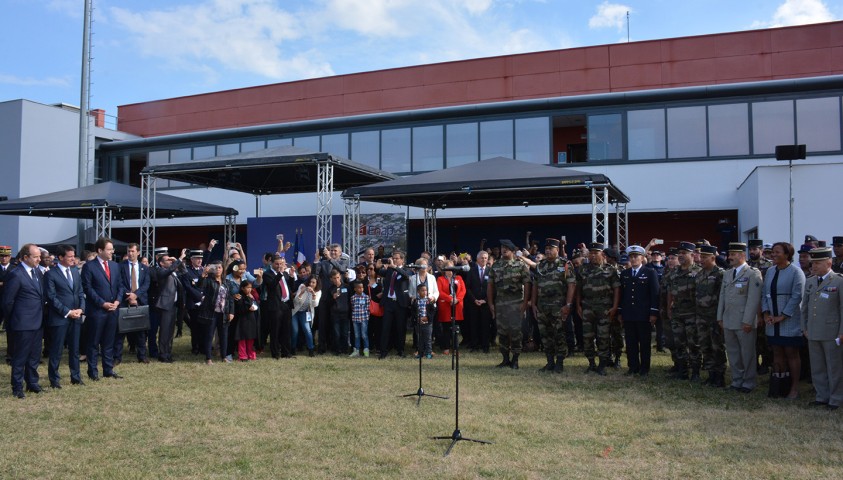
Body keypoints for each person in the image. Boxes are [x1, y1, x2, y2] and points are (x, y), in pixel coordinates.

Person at [761, 242, 805, 399]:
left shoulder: (796, 272)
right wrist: (766, 313)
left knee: (791, 352)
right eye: (772, 252)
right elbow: (764, 294)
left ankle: (794, 388)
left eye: (777, 252)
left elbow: (797, 297)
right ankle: (779, 386)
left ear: (787, 254)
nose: (773, 254)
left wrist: (783, 316)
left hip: (789, 320)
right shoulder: (770, 271)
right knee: (777, 352)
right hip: (772, 320)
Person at [717, 242, 763, 393]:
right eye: (730, 254)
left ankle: (748, 382)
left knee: (747, 353)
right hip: (729, 319)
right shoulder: (728, 273)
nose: (730, 257)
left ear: (743, 255)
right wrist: (720, 317)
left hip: (744, 321)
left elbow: (753, 299)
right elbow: (722, 296)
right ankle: (737, 381)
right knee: (733, 353)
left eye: (733, 254)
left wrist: (748, 320)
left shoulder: (752, 273)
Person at [801, 247, 843, 410]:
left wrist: (842, 331)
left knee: (834, 367)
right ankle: (822, 396)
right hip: (813, 330)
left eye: (818, 263)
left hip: (832, 332)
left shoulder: (838, 281)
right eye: (813, 263)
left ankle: (836, 398)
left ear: (829, 262)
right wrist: (804, 327)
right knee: (817, 366)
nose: (814, 266)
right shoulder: (810, 281)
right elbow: (805, 307)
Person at [2, 244, 45, 398]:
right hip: (22, 324)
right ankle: (17, 387)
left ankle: (32, 383)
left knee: (34, 356)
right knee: (20, 357)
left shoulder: (38, 272)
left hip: (38, 322)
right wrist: (13, 320)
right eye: (36, 257)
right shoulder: (16, 274)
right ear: (25, 257)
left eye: (39, 256)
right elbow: (7, 302)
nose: (39, 259)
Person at [81, 237, 126, 381]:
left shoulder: (114, 265)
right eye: (109, 249)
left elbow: (120, 285)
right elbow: (88, 289)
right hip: (97, 311)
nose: (112, 251)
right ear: (100, 250)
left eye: (112, 249)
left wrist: (118, 301)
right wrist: (102, 303)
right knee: (94, 343)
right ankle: (93, 372)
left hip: (113, 310)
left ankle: (108, 369)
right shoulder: (89, 266)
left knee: (109, 342)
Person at [44, 245, 85, 389]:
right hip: (60, 318)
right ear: (60, 257)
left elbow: (80, 292)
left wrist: (81, 309)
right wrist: (67, 312)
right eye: (69, 256)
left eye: (73, 256)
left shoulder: (75, 272)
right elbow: (51, 297)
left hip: (76, 316)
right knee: (56, 350)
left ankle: (76, 377)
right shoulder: (51, 274)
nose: (73, 258)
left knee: (75, 349)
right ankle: (54, 380)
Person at [576, 242, 621, 375]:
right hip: (587, 307)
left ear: (602, 254)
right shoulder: (583, 269)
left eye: (596, 253)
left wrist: (614, 306)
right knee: (587, 337)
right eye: (591, 253)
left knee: (603, 337)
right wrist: (578, 305)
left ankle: (602, 364)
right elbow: (579, 289)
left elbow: (617, 289)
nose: (593, 255)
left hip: (604, 308)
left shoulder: (610, 270)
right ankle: (591, 363)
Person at [533, 238, 576, 373]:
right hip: (542, 307)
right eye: (546, 249)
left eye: (551, 249)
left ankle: (560, 363)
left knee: (559, 335)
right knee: (545, 336)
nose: (548, 251)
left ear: (557, 250)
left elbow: (571, 285)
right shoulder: (540, 265)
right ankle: (549, 362)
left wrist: (568, 305)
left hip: (558, 306)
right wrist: (533, 304)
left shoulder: (565, 264)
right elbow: (535, 285)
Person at [488, 239, 531, 370]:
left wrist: (525, 303)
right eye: (502, 247)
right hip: (501, 305)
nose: (503, 250)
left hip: (515, 305)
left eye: (506, 248)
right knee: (502, 333)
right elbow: (490, 286)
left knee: (516, 332)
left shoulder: (520, 265)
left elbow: (527, 284)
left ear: (512, 251)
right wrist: (490, 303)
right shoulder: (496, 266)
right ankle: (505, 359)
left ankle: (515, 359)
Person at [618, 245, 659, 377]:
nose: (634, 258)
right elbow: (622, 295)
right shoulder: (625, 274)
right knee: (630, 343)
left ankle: (644, 368)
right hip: (629, 314)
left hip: (644, 314)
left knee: (645, 343)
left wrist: (653, 313)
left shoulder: (650, 273)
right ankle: (633, 366)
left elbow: (655, 294)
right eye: (631, 256)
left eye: (636, 256)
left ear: (642, 258)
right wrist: (620, 312)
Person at [666, 241, 702, 380]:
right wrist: (669, 307)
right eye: (679, 253)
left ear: (692, 255)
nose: (680, 256)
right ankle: (682, 371)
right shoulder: (674, 272)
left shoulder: (698, 272)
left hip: (692, 314)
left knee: (694, 344)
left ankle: (696, 372)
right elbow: (670, 291)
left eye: (683, 253)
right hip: (677, 313)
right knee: (679, 343)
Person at [695, 245, 726, 386]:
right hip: (701, 316)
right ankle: (710, 374)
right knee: (705, 346)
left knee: (717, 347)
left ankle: (719, 376)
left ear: (713, 258)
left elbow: (723, 297)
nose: (701, 260)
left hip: (714, 317)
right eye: (701, 257)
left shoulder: (720, 274)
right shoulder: (699, 274)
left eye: (704, 257)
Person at [116, 243, 151, 364]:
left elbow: (146, 284)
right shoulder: (120, 266)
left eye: (132, 251)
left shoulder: (144, 268)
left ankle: (142, 356)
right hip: (125, 301)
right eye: (128, 251)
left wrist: (136, 295)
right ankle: (117, 357)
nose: (130, 254)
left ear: (138, 253)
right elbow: (119, 283)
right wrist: (129, 295)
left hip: (139, 301)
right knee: (120, 331)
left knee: (140, 331)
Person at [312, 244, 349, 353]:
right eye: (331, 250)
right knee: (323, 324)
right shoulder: (323, 263)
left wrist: (330, 259)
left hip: (339, 300)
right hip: (325, 297)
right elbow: (315, 274)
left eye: (335, 251)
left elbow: (342, 270)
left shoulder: (343, 261)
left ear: (340, 253)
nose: (332, 252)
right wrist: (316, 260)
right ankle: (322, 347)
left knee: (336, 325)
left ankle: (336, 347)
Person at [377, 250, 413, 359]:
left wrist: (395, 267)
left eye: (397, 258)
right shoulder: (389, 270)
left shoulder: (407, 270)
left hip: (400, 303)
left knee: (400, 328)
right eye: (393, 258)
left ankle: (400, 350)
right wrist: (377, 266)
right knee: (385, 327)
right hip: (388, 302)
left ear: (402, 259)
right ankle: (383, 351)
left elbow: (407, 276)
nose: (394, 260)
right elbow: (379, 272)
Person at [151, 247, 184, 363]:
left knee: (170, 331)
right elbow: (168, 271)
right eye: (167, 260)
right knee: (164, 331)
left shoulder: (173, 272)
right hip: (165, 305)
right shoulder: (159, 271)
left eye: (171, 260)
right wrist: (178, 260)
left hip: (173, 304)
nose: (170, 261)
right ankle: (163, 354)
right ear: (161, 262)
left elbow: (184, 272)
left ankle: (168, 352)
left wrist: (178, 262)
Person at [197, 261, 231, 364]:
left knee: (224, 336)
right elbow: (200, 286)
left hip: (223, 312)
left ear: (223, 269)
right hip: (211, 312)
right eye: (216, 268)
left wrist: (231, 312)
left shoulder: (226, 282)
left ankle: (224, 357)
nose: (218, 269)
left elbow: (229, 299)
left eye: (220, 267)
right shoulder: (208, 281)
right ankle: (208, 358)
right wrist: (203, 275)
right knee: (209, 335)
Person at [261, 255, 293, 359]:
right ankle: (275, 354)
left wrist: (292, 277)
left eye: (281, 264)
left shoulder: (285, 273)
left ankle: (286, 353)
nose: (279, 266)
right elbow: (271, 286)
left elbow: (290, 287)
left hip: (286, 304)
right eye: (277, 264)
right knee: (275, 331)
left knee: (286, 330)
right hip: (275, 306)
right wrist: (279, 274)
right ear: (272, 263)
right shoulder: (267, 274)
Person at [436, 260, 466, 355]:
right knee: (446, 328)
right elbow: (440, 292)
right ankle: (446, 348)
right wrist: (450, 299)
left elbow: (463, 290)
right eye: (448, 268)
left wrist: (457, 299)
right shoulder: (440, 279)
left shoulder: (459, 278)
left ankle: (456, 348)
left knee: (456, 328)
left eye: (452, 268)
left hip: (457, 305)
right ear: (444, 269)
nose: (450, 271)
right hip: (446, 306)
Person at [466, 250, 493, 353]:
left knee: (485, 325)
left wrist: (485, 300)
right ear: (477, 259)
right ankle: (474, 346)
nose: (484, 260)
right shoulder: (471, 271)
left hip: (486, 303)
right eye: (482, 258)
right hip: (474, 303)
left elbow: (493, 288)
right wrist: (474, 300)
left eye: (486, 258)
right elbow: (467, 288)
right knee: (474, 325)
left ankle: (485, 346)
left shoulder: (490, 271)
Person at [181, 249, 207, 355]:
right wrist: (200, 297)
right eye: (197, 258)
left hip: (204, 303)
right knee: (195, 326)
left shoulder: (203, 270)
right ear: (191, 259)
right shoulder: (187, 271)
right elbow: (188, 287)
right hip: (194, 303)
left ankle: (203, 346)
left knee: (204, 326)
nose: (199, 260)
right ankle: (195, 346)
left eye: (201, 258)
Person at [291, 275, 321, 356]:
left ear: (317, 284)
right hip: (295, 312)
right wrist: (301, 292)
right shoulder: (302, 286)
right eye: (310, 282)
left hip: (304, 313)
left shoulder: (318, 292)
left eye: (313, 283)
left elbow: (315, 305)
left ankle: (311, 349)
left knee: (307, 330)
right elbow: (296, 301)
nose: (311, 284)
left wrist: (313, 294)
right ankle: (292, 348)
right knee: (295, 330)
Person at [232, 280, 259, 361]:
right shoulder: (239, 296)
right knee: (242, 338)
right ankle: (242, 355)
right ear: (243, 288)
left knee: (250, 338)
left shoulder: (251, 296)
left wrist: (252, 300)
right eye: (247, 287)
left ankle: (251, 354)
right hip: (243, 319)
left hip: (251, 319)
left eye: (250, 287)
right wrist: (248, 309)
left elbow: (256, 305)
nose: (249, 289)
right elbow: (239, 308)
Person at [326, 269, 350, 355]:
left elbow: (350, 299)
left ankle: (345, 349)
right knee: (336, 333)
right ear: (331, 279)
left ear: (340, 277)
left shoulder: (346, 287)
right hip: (335, 314)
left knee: (345, 333)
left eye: (338, 277)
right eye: (334, 278)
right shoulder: (330, 289)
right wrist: (333, 298)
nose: (336, 280)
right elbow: (327, 303)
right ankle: (337, 350)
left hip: (345, 313)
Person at [412, 284, 435, 359]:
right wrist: (417, 318)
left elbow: (433, 311)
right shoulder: (416, 301)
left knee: (428, 339)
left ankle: (428, 353)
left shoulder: (429, 301)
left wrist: (428, 318)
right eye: (422, 290)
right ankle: (420, 353)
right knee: (420, 339)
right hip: (418, 323)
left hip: (427, 323)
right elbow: (413, 312)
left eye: (425, 290)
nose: (424, 292)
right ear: (418, 292)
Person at [349, 281, 370, 357]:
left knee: (364, 335)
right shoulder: (353, 298)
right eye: (359, 288)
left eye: (362, 288)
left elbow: (368, 308)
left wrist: (367, 317)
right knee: (357, 335)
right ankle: (356, 351)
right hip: (355, 319)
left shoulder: (366, 297)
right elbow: (352, 307)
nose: (361, 289)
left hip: (364, 319)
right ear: (355, 289)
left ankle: (366, 350)